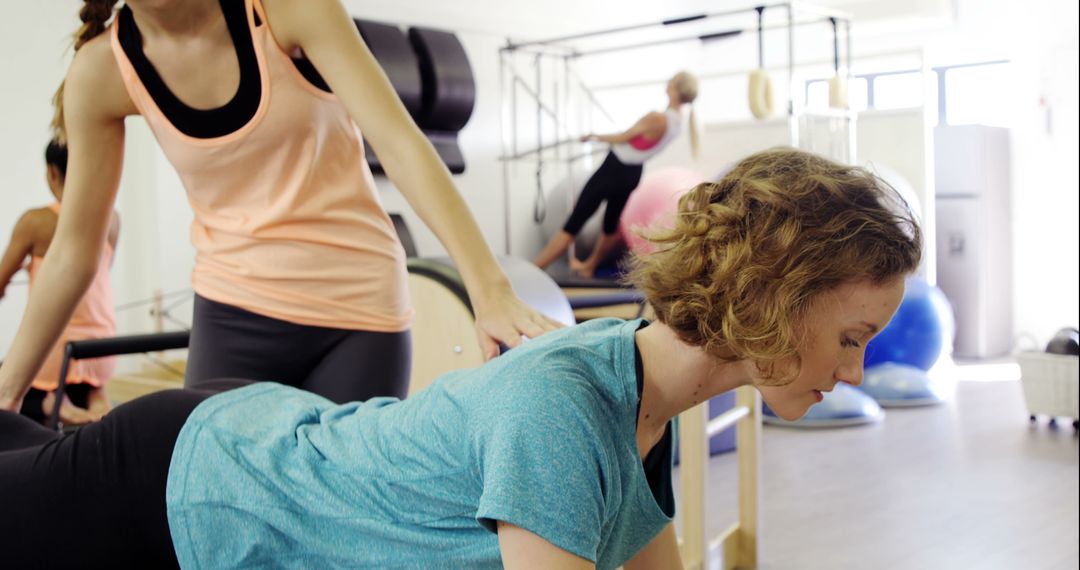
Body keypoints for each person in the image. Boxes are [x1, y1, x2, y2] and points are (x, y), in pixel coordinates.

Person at [0, 148, 922, 569]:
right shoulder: (567, 409)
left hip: (245, 435)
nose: (851, 373)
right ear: (772, 300)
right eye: (851, 338)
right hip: (189, 481)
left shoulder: (644, 406)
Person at [0, 0, 562, 415]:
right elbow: (76, 249)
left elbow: (400, 143)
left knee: (338, 521)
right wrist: (8, 390)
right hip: (233, 312)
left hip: (357, 313)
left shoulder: (286, 10)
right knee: (221, 517)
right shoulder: (101, 72)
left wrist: (489, 288)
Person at [533, 71, 700, 279]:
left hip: (614, 169)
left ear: (675, 90)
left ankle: (534, 269)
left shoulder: (657, 118)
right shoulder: (680, 123)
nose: (667, 82)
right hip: (632, 174)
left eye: (671, 81)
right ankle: (589, 266)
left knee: (574, 222)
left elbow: (622, 138)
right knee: (610, 224)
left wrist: (593, 136)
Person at [0, 140, 119, 425]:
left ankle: (52, 401)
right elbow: (92, 273)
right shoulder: (111, 218)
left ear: (52, 172)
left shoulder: (35, 222)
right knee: (85, 379)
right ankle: (95, 396)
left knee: (10, 377)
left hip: (53, 353)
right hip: (103, 349)